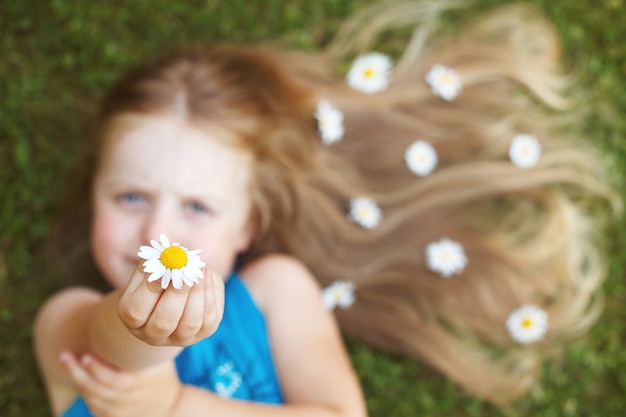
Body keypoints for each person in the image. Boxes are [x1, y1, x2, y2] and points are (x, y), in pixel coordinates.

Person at [34, 0, 619, 415]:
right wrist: (149, 340)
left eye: (198, 208)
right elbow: (112, 340)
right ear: (95, 196)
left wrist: (177, 406)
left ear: (249, 226)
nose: (159, 234)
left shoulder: (274, 292)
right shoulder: (67, 320)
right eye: (131, 197)